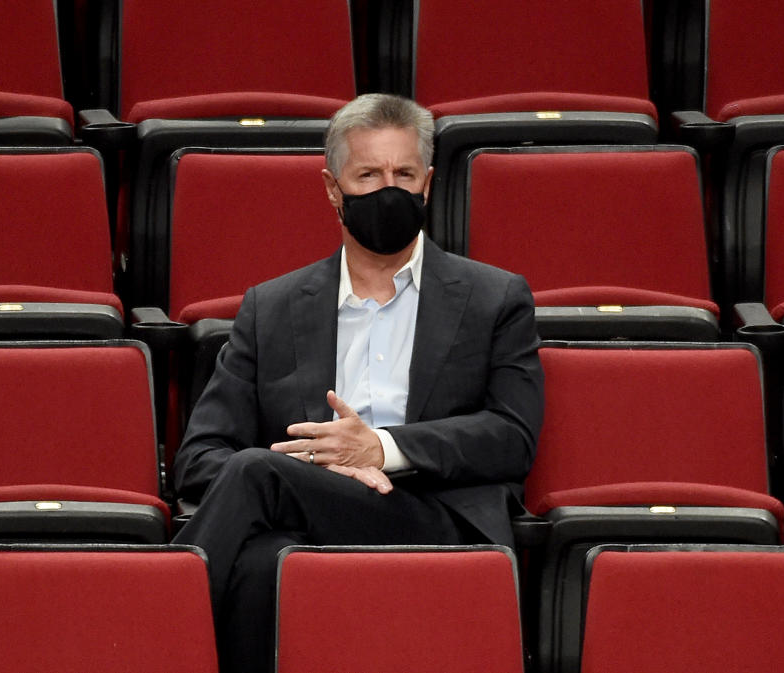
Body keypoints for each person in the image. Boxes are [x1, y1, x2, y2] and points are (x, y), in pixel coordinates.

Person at [170, 93, 544, 673]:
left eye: (404, 174)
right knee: (264, 561)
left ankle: (149, 624)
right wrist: (317, 471)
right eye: (368, 174)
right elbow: (199, 457)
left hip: (433, 515)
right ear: (331, 187)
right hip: (304, 517)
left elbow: (511, 435)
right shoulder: (271, 308)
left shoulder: (495, 297)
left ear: (428, 185)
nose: (388, 189)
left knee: (256, 469)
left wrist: (383, 450)